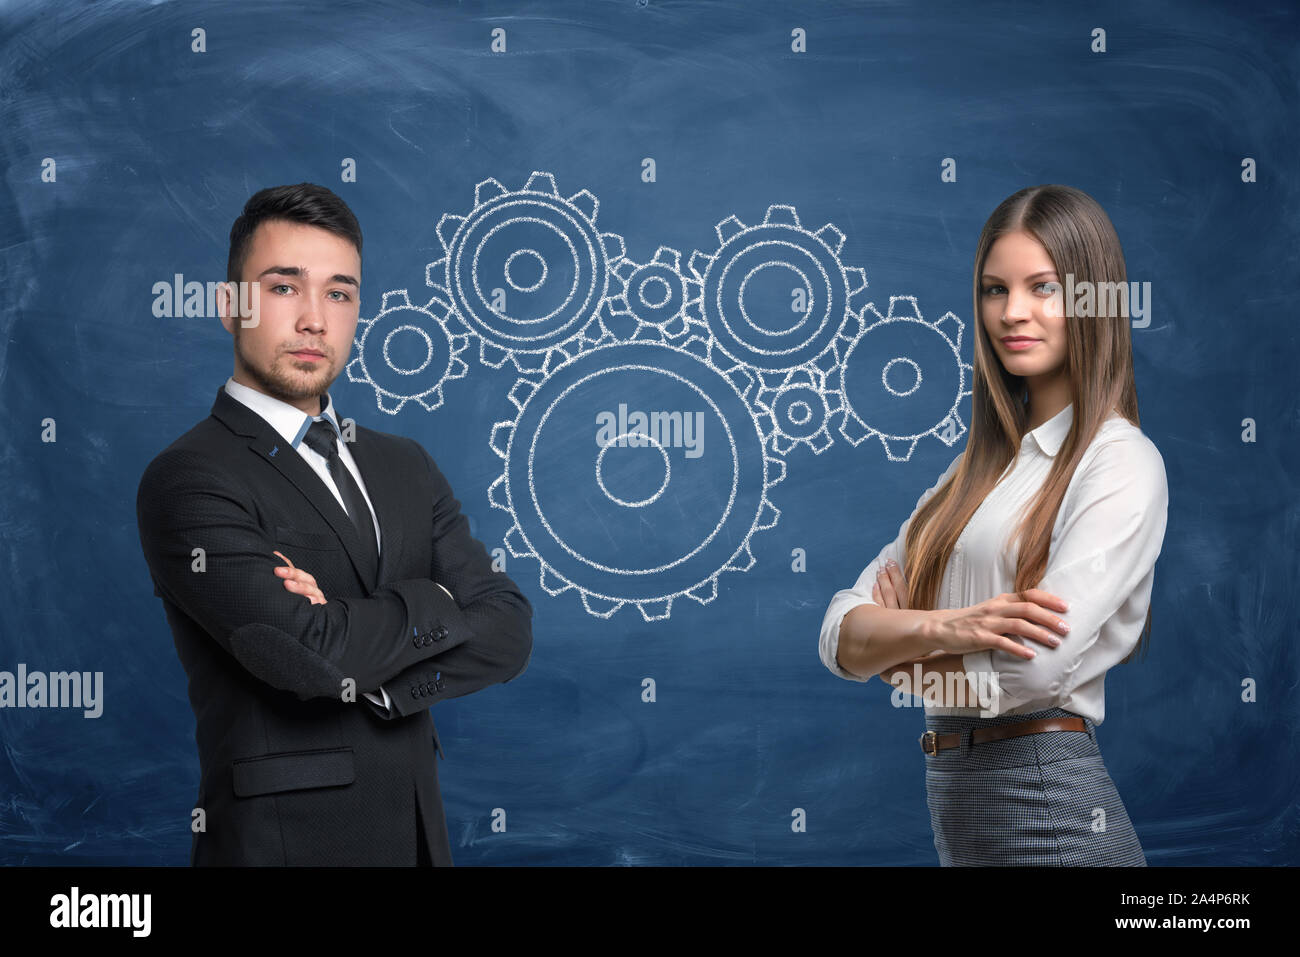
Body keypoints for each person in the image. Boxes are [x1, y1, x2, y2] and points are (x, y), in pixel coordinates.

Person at [136, 183, 533, 865]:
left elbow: (508, 627)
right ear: (231, 307)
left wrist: (374, 662)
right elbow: (303, 656)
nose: (316, 319)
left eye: (340, 292)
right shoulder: (189, 477)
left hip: (418, 840)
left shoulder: (406, 464)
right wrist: (436, 604)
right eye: (285, 288)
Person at [818, 184, 1167, 866]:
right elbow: (837, 632)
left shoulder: (1120, 461)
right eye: (993, 290)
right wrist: (941, 629)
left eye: (1042, 287)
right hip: (965, 813)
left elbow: (1033, 670)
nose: (1013, 313)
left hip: (1050, 813)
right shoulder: (967, 476)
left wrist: (894, 659)